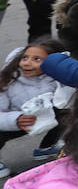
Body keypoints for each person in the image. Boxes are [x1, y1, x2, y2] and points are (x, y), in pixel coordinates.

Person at [0, 39, 66, 178]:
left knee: (67, 112)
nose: (27, 63)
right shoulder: (7, 79)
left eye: (37, 59)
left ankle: (46, 147)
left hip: (37, 120)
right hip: (12, 121)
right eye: (25, 57)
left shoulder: (54, 78)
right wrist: (16, 119)